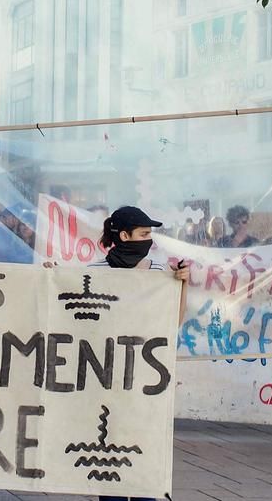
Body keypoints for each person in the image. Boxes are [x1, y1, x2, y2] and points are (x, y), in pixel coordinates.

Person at [89, 206, 190, 501]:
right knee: (109, 456)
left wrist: (182, 285)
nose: (149, 240)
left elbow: (173, 321)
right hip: (107, 380)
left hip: (145, 381)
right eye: (144, 234)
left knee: (143, 459)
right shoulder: (95, 273)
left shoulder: (159, 273)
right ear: (124, 236)